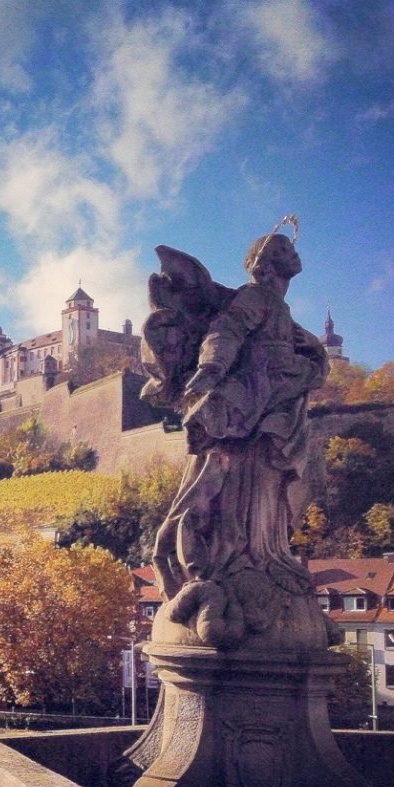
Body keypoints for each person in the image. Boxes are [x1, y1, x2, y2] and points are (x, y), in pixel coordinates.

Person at [141, 223, 331, 648]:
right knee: (236, 480)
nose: (292, 253)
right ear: (265, 263)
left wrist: (308, 364)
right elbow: (224, 331)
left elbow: (309, 357)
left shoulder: (280, 310)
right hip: (247, 403)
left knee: (271, 484)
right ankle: (232, 558)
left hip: (273, 404)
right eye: (282, 248)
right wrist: (211, 369)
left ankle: (265, 554)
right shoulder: (254, 297)